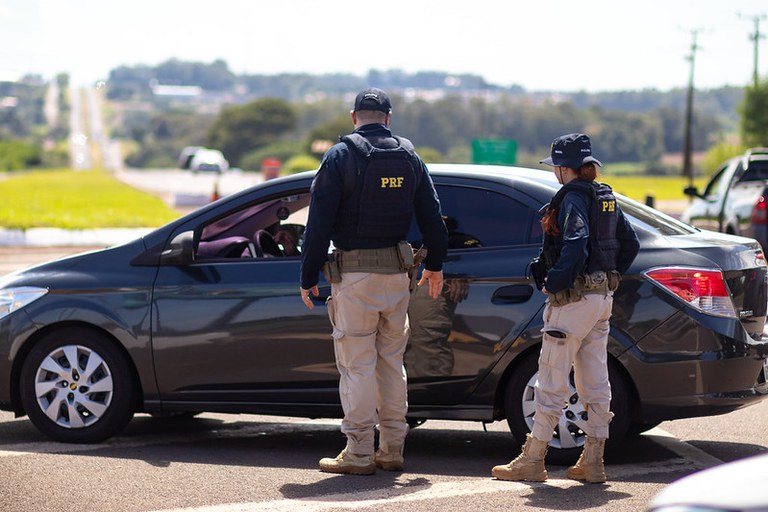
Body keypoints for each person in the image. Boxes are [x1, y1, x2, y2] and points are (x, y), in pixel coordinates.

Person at [299, 87, 448, 475]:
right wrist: (435, 263)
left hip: (355, 279)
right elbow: (432, 216)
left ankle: (359, 452)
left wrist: (308, 273)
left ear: (354, 117)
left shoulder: (340, 156)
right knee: (391, 365)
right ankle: (393, 448)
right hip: (398, 277)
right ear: (388, 118)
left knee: (357, 367)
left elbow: (318, 223)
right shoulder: (409, 156)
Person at [491, 133, 639, 484]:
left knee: (551, 378)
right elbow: (630, 244)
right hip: (602, 300)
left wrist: (555, 281)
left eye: (556, 166)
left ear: (563, 168)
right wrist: (607, 276)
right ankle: (593, 461)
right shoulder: (605, 196)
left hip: (574, 302)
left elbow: (576, 241)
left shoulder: (572, 197)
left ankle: (533, 459)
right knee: (595, 379)